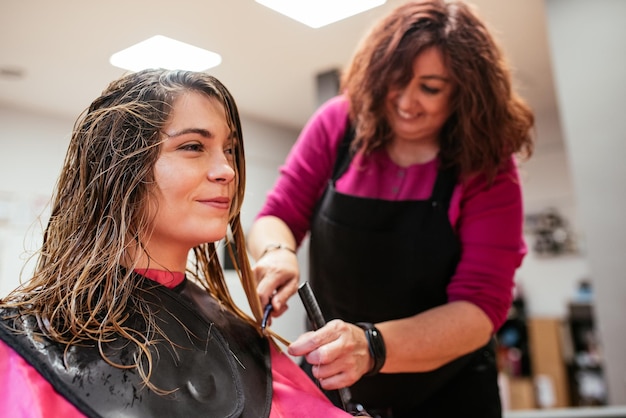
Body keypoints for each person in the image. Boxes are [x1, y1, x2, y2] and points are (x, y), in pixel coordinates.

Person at [0, 69, 354, 418]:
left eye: (229, 149)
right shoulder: (21, 349)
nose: (227, 170)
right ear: (122, 169)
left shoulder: (244, 340)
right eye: (193, 146)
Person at [247, 1, 535, 417]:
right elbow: (277, 216)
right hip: (334, 375)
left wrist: (371, 345)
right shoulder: (338, 124)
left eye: (430, 88)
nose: (405, 101)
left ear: (465, 91)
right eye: (395, 81)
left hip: (449, 389)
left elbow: (479, 308)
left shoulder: (487, 165)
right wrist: (278, 253)